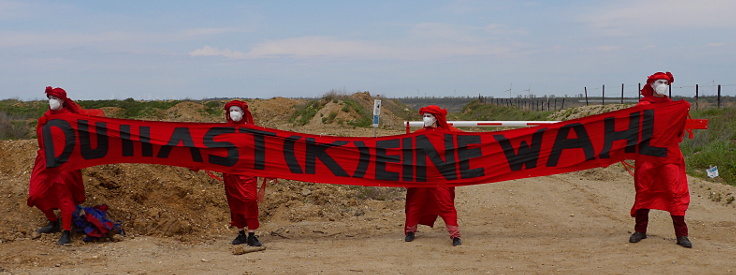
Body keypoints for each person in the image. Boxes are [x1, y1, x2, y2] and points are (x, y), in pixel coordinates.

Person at [28, 86, 103, 245]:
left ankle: (66, 231)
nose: (52, 101)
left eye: (55, 98)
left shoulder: (71, 118)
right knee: (36, 194)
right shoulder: (44, 119)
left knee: (64, 196)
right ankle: (53, 221)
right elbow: (41, 141)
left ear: (63, 101)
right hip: (45, 161)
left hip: (64, 162)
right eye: (50, 98)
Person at [628, 72, 692, 248]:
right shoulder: (642, 106)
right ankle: (640, 230)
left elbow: (679, 131)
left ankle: (681, 235)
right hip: (647, 155)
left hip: (669, 155)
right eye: (659, 82)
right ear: (652, 85)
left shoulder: (673, 107)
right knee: (643, 191)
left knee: (674, 191)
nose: (663, 85)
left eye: (665, 82)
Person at [404, 105, 463, 246]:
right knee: (415, 203)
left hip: (441, 176)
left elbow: (469, 141)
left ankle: (455, 236)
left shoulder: (450, 134)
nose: (425, 119)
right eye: (424, 116)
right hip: (422, 176)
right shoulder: (418, 134)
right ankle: (410, 231)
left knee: (446, 205)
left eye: (429, 116)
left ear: (436, 118)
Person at [221, 100, 267, 247]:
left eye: (237, 110)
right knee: (234, 201)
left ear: (243, 113)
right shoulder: (223, 131)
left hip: (247, 171)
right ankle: (241, 233)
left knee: (250, 199)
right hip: (230, 172)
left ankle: (252, 234)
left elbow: (262, 149)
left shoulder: (251, 131)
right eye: (231, 111)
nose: (234, 114)